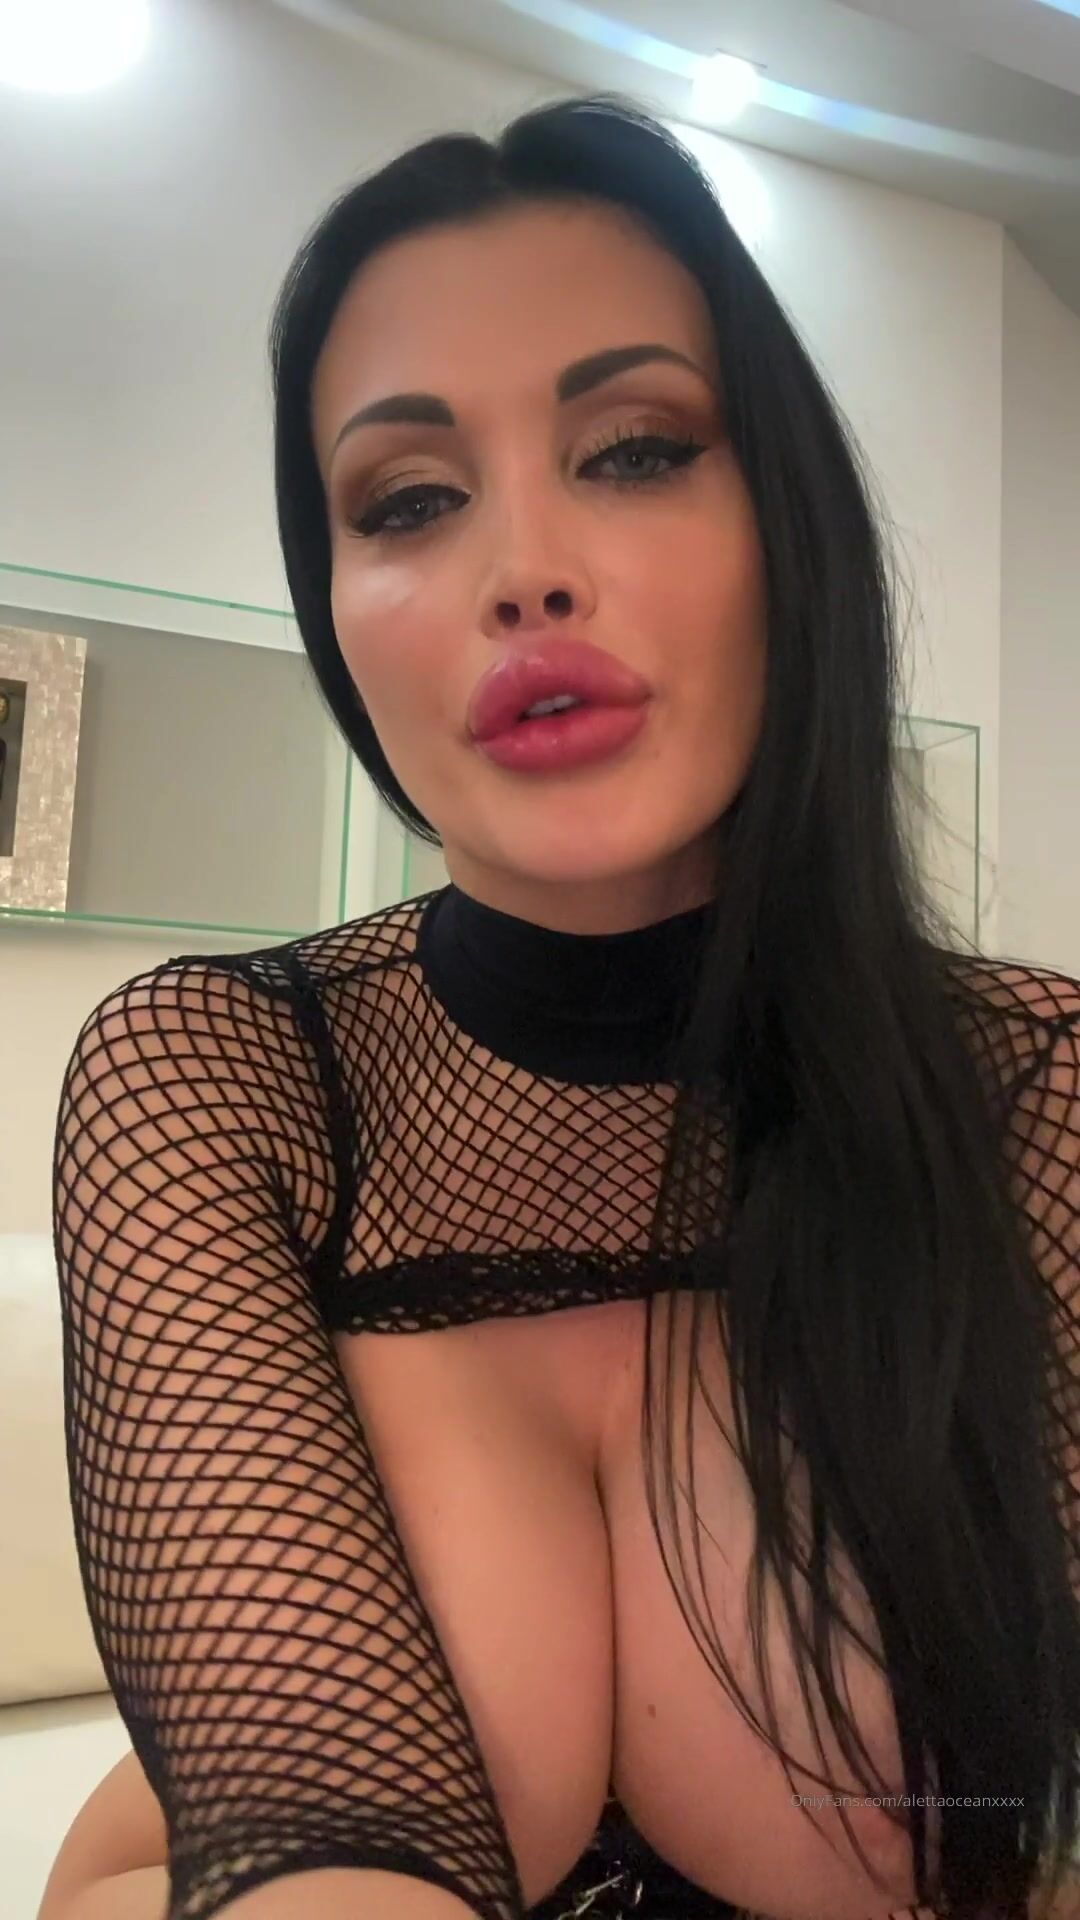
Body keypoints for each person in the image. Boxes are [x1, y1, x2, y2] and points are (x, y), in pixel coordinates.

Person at [41, 93, 1079, 1920]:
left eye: (636, 450)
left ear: (790, 523)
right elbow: (310, 1842)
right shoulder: (219, 1080)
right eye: (410, 500)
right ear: (337, 616)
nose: (522, 566)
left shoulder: (1034, 1095)